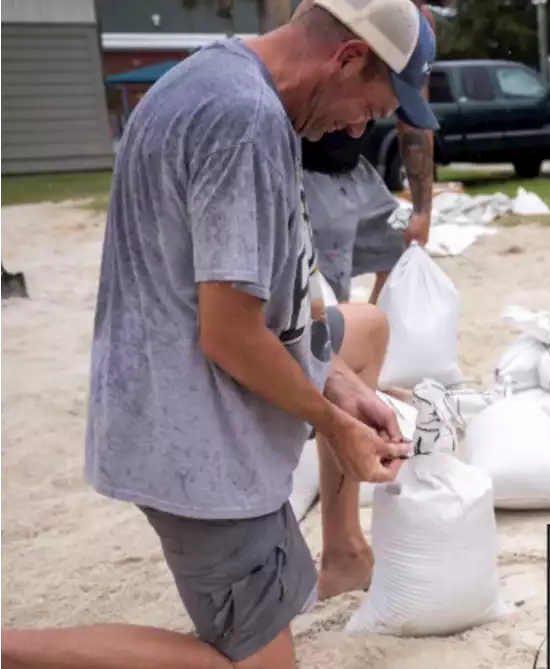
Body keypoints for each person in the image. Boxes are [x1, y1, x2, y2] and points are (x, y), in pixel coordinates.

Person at [0, 1, 437, 667]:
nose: (356, 126)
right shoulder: (245, 121)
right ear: (346, 59)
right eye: (368, 108)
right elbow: (229, 334)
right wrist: (331, 421)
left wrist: (342, 388)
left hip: (192, 425)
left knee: (364, 331)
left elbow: (286, 288)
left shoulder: (224, 79)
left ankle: (342, 552)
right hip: (198, 447)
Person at [298, 0, 438, 306]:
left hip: (354, 170)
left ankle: (365, 338)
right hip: (310, 169)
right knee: (327, 293)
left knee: (399, 248)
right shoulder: (338, 10)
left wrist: (422, 209)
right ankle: (336, 346)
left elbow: (414, 122)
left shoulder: (420, 26)